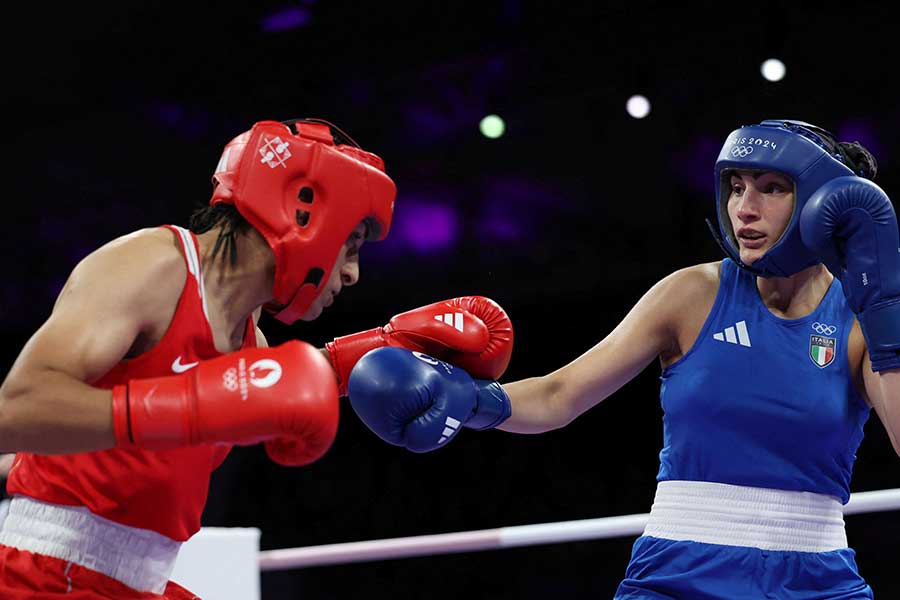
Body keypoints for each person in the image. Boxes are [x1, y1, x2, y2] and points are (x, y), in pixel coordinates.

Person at [349, 119, 900, 599]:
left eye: (772, 188)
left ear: (827, 203)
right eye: (735, 187)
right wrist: (469, 400)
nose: (744, 209)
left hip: (815, 578)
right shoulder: (692, 294)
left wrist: (886, 310)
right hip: (679, 573)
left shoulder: (858, 317)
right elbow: (559, 395)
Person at [0, 118, 513, 599]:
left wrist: (378, 348)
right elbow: (14, 412)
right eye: (352, 244)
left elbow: (274, 389)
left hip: (135, 583)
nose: (353, 272)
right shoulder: (153, 266)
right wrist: (182, 407)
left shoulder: (250, 343)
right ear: (304, 210)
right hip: (43, 574)